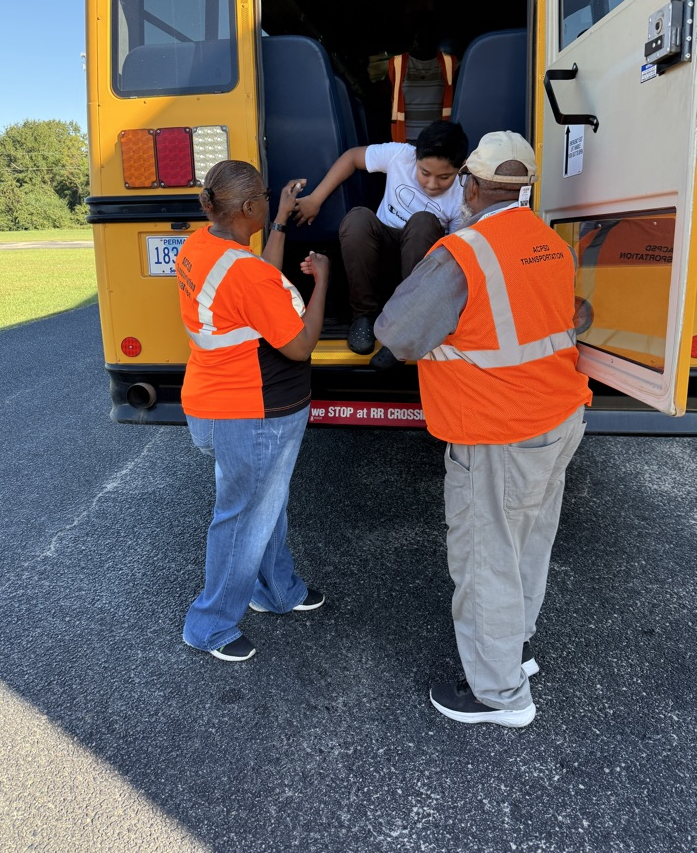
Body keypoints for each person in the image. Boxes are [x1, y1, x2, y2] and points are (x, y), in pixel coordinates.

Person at [374, 131, 592, 726]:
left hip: (497, 430)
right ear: (525, 190)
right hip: (559, 416)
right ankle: (513, 649)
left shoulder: (462, 253)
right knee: (527, 541)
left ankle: (498, 695)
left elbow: (398, 333)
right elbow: (567, 317)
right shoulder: (551, 245)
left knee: (486, 557)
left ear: (470, 185)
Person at [175, 159, 329, 662]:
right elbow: (300, 346)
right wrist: (322, 282)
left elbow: (258, 276)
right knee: (242, 518)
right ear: (245, 207)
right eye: (263, 196)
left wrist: (280, 218)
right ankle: (210, 625)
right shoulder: (245, 274)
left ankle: (277, 591)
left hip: (215, 403)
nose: (267, 199)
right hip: (253, 412)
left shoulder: (202, 246)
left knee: (265, 504)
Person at [294, 120, 469, 369]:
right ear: (415, 157)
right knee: (358, 218)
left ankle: (404, 330)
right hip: (379, 260)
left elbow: (452, 256)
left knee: (423, 221)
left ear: (461, 168)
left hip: (420, 269)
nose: (431, 184)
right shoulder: (400, 155)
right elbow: (352, 157)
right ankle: (363, 316)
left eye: (444, 177)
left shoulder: (462, 192)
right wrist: (315, 198)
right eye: (424, 173)